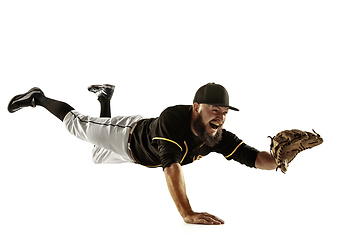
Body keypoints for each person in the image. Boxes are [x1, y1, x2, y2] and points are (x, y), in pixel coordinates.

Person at [7, 83, 277, 225]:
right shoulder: (175, 118)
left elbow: (256, 160)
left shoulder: (215, 136)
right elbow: (171, 165)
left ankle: (105, 97)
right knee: (77, 125)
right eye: (214, 109)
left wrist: (280, 159)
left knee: (96, 157)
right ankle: (37, 97)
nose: (221, 116)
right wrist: (187, 212)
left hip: (136, 155)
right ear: (197, 107)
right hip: (125, 134)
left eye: (225, 111)